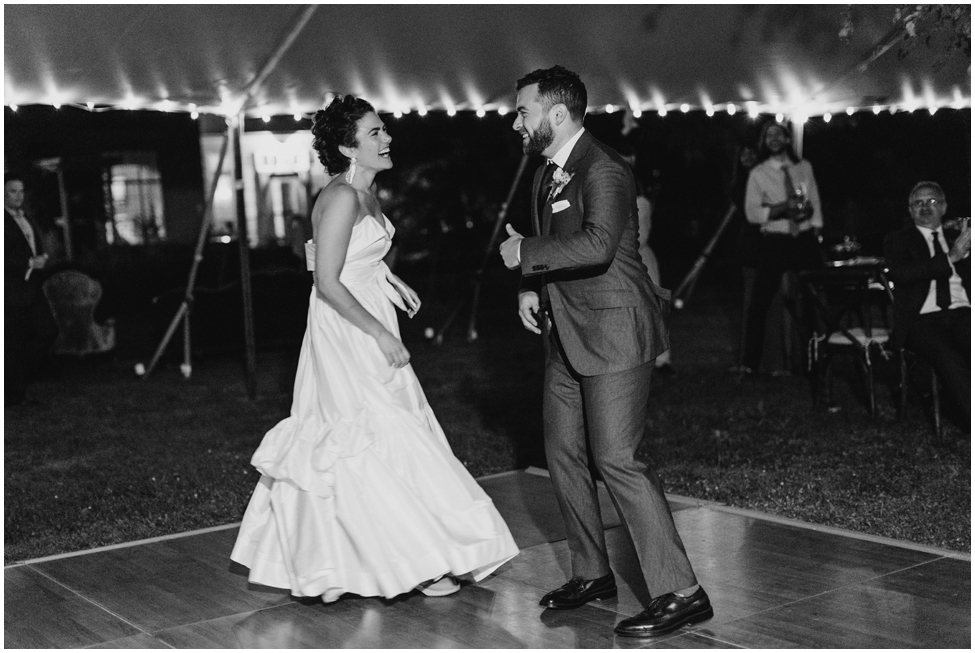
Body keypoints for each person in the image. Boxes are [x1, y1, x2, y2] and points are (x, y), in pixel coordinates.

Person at [231, 95, 518, 603]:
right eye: (374, 134)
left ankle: (390, 557)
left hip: (366, 308)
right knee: (376, 433)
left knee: (390, 432)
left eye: (384, 130)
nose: (387, 139)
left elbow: (353, 256)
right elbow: (325, 279)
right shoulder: (341, 197)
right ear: (347, 147)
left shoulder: (367, 191)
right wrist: (380, 332)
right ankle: (420, 561)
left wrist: (389, 277)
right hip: (346, 327)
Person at [499, 66, 711, 639]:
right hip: (565, 333)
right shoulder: (547, 173)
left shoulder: (605, 168)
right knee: (563, 454)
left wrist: (524, 255)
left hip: (616, 330)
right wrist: (530, 287)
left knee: (618, 458)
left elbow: (595, 246)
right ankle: (592, 574)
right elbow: (558, 251)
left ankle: (683, 592)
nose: (516, 121)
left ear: (558, 113)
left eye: (524, 111)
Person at [883, 181, 970, 429]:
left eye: (931, 201)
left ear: (943, 207)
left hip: (964, 312)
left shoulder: (961, 238)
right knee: (947, 354)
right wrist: (950, 257)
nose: (925, 207)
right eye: (918, 203)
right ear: (910, 211)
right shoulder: (898, 240)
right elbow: (900, 274)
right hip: (921, 319)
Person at [740, 121, 823, 376]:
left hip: (804, 239)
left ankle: (815, 361)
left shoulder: (803, 166)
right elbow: (753, 214)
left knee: (813, 301)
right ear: (764, 143)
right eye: (768, 136)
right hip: (775, 242)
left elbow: (815, 200)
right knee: (760, 303)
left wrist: (816, 224)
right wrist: (780, 208)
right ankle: (751, 364)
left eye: (778, 134)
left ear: (788, 139)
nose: (773, 138)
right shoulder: (758, 173)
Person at [4, 172, 57, 407]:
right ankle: (14, 394)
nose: (18, 195)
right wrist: (26, 263)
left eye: (21, 191)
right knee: (13, 343)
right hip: (11, 290)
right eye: (13, 191)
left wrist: (41, 259)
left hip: (32, 287)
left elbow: (31, 244)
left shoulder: (25, 217)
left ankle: (14, 380)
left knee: (47, 332)